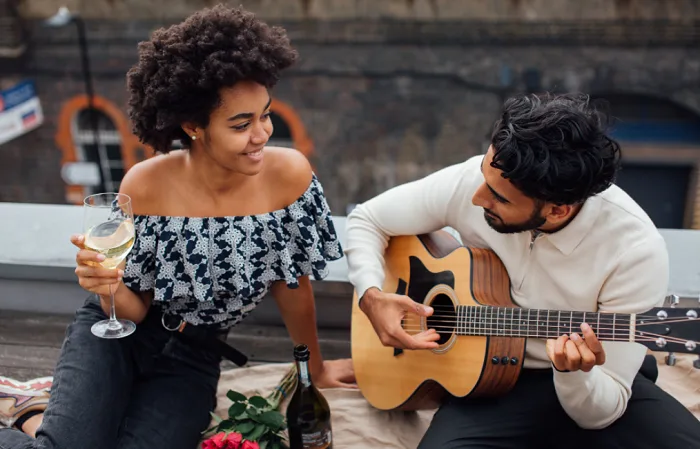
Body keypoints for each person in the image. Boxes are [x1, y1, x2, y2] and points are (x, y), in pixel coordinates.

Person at [0, 5, 355, 448]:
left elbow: (292, 285)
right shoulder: (145, 185)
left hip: (194, 354)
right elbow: (133, 309)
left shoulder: (291, 177)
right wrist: (106, 286)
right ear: (193, 127)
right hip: (116, 335)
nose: (262, 134)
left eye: (264, 115)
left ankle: (33, 411)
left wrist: (314, 370)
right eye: (241, 124)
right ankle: (33, 410)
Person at [344, 92, 700, 449]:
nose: (477, 197)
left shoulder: (635, 250)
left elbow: (601, 412)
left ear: (558, 210)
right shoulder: (488, 177)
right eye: (483, 177)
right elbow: (367, 219)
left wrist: (572, 373)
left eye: (499, 198)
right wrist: (372, 295)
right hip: (487, 382)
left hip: (591, 380)